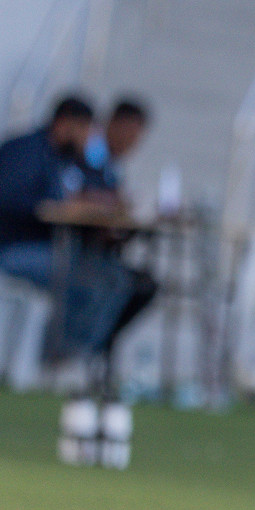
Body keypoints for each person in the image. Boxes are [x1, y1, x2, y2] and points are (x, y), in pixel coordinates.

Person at [0, 95, 133, 357]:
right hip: (6, 249)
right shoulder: (24, 151)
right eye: (85, 131)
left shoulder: (58, 158)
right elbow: (7, 198)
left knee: (116, 279)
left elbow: (81, 188)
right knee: (94, 281)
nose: (88, 139)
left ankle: (65, 355)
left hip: (38, 247)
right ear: (65, 124)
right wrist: (57, 205)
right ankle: (54, 357)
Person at [79, 98, 158, 354]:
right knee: (113, 281)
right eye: (130, 135)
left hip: (94, 245)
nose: (132, 144)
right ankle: (80, 350)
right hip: (73, 244)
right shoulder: (90, 153)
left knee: (144, 285)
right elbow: (82, 195)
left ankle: (97, 347)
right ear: (114, 124)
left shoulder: (109, 164)